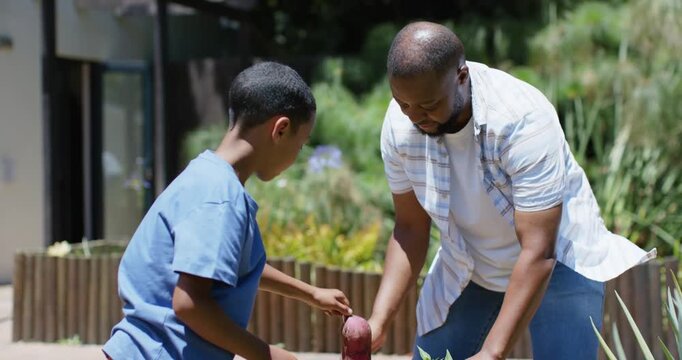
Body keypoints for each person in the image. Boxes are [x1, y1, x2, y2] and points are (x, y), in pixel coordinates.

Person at [367, 21, 656, 360]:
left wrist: (492, 352)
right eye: (404, 104)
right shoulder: (401, 122)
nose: (415, 117)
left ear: (461, 76)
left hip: (559, 264)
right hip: (471, 266)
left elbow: (539, 251)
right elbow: (410, 228)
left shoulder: (522, 119)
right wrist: (378, 321)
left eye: (428, 105)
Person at [102, 62, 352, 360]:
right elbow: (189, 303)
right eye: (300, 146)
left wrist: (310, 293)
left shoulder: (205, 175)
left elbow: (229, 265)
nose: (297, 157)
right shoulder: (221, 198)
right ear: (281, 129)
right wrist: (269, 355)